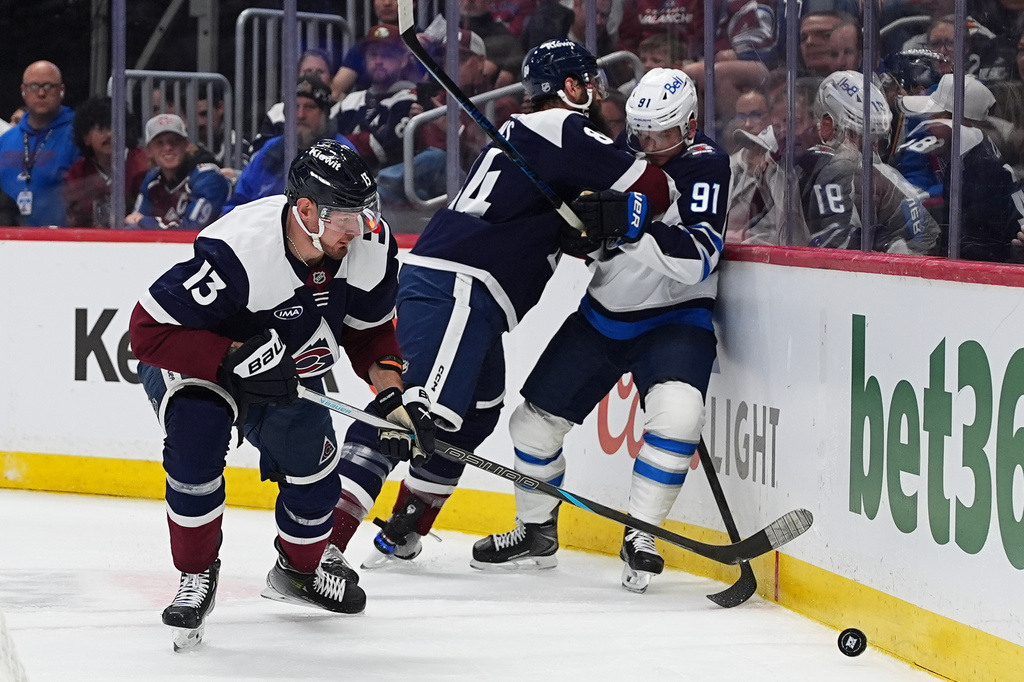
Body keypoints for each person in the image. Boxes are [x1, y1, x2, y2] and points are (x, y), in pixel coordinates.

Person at [327, 40, 673, 569]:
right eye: (588, 83)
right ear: (571, 88)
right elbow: (656, 186)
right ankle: (320, 548)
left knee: (472, 417)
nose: (597, 95)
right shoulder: (562, 129)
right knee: (403, 418)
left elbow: (545, 219)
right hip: (458, 288)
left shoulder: (530, 136)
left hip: (472, 295)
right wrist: (641, 199)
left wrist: (579, 227)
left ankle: (403, 530)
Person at [128, 140, 435, 649]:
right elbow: (148, 331)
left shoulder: (370, 246)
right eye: (345, 217)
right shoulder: (241, 251)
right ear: (307, 209)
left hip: (282, 370)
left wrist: (392, 399)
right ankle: (196, 574)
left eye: (363, 214)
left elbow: (370, 333)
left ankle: (298, 573)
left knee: (314, 475)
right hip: (200, 361)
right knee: (196, 440)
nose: (357, 229)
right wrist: (229, 358)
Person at [471, 68, 730, 594]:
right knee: (532, 427)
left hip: (677, 319)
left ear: (691, 124)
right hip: (602, 316)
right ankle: (536, 533)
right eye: (642, 134)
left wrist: (634, 228)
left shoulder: (707, 165)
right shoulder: (620, 157)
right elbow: (595, 245)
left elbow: (700, 259)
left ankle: (642, 535)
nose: (650, 146)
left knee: (678, 415)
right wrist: (582, 231)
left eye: (662, 135)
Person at [797, 70, 941, 254]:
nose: (870, 151)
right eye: (858, 136)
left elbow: (928, 237)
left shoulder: (881, 178)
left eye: (876, 141)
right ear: (827, 127)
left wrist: (889, 248)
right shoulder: (804, 164)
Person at [897, 74, 1024, 262]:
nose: (929, 127)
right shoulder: (964, 159)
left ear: (963, 123)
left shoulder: (982, 172)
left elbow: (976, 250)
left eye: (936, 118)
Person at [224, 75, 354, 213]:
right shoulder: (270, 150)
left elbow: (347, 216)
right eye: (295, 107)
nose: (300, 115)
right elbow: (236, 204)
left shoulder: (344, 154)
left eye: (309, 107)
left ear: (325, 114)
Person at [0, 60, 79, 227]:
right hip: (9, 241)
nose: (41, 93)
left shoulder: (77, 136)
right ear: (23, 91)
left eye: (49, 86)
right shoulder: (6, 140)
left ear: (61, 90)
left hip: (59, 240)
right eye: (33, 86)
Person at [335, 24, 418, 174]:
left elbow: (386, 148)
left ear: (404, 60)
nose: (378, 61)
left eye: (387, 55)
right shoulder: (351, 101)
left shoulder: (410, 99)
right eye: (373, 55)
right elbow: (322, 138)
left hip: (383, 186)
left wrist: (343, 144)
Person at [125, 113, 229, 230]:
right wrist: (143, 222)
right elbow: (134, 221)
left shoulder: (208, 178)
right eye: (160, 143)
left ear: (186, 145)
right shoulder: (151, 181)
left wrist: (147, 222)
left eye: (175, 141)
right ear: (149, 150)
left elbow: (192, 230)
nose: (168, 147)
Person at [63, 96, 149, 227]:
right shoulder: (78, 173)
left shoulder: (141, 165)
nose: (109, 134)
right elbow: (74, 221)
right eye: (101, 129)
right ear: (86, 137)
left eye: (113, 127)